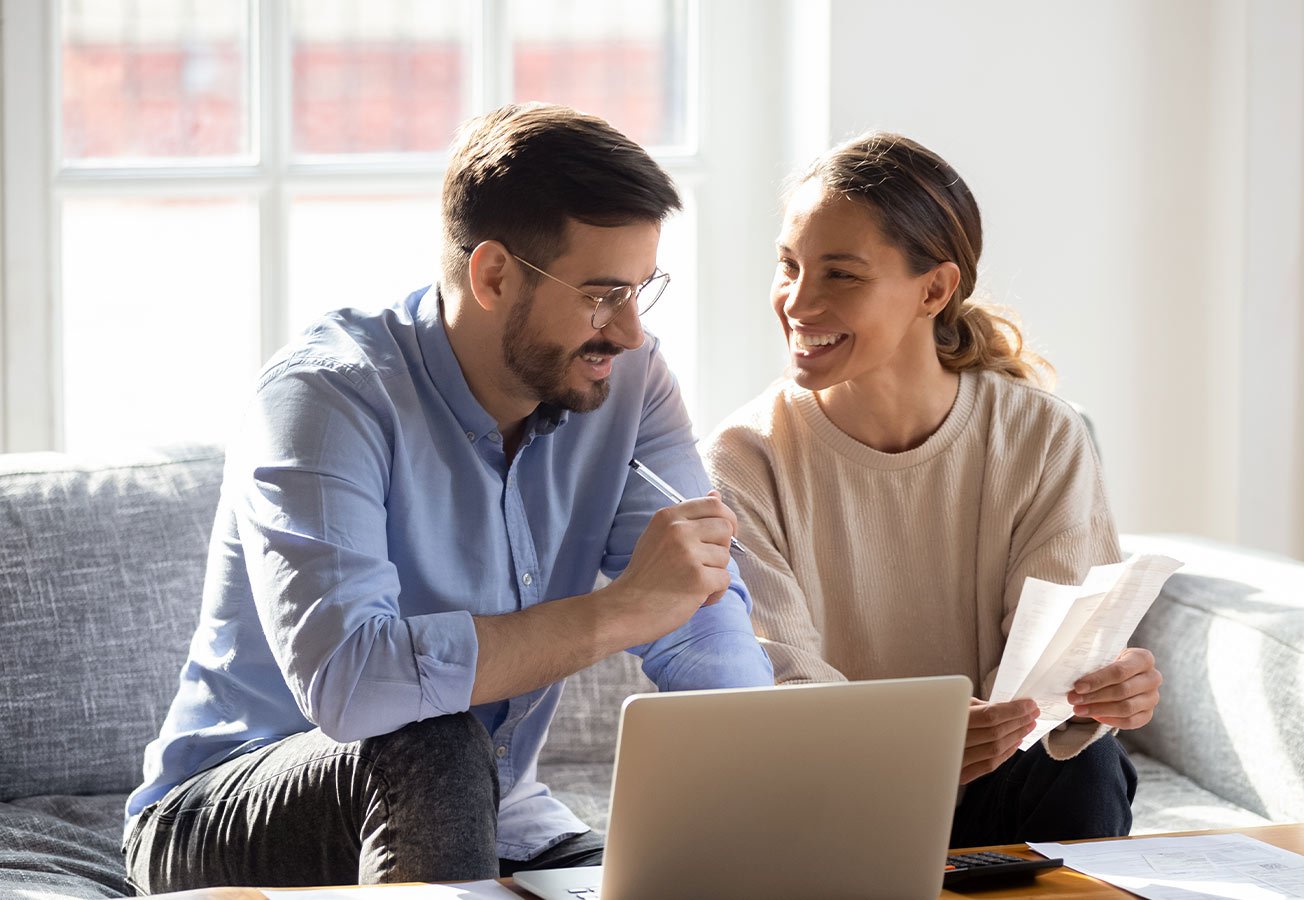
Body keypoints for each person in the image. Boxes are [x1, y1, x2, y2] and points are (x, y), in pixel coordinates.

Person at [123, 103, 772, 892]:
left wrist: (767, 784)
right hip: (225, 806)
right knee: (432, 740)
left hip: (500, 812)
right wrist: (618, 611)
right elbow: (353, 683)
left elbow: (699, 613)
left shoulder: (629, 381)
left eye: (642, 290)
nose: (630, 331)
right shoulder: (326, 399)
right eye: (604, 294)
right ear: (494, 274)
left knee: (669, 880)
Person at [704, 132, 1162, 847]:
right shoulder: (744, 456)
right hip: (829, 797)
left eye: (840, 275)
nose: (797, 301)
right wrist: (921, 745)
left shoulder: (1041, 435)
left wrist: (1101, 693)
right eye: (788, 266)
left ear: (935, 289)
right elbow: (780, 687)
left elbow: (1054, 676)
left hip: (1001, 781)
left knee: (1087, 766)